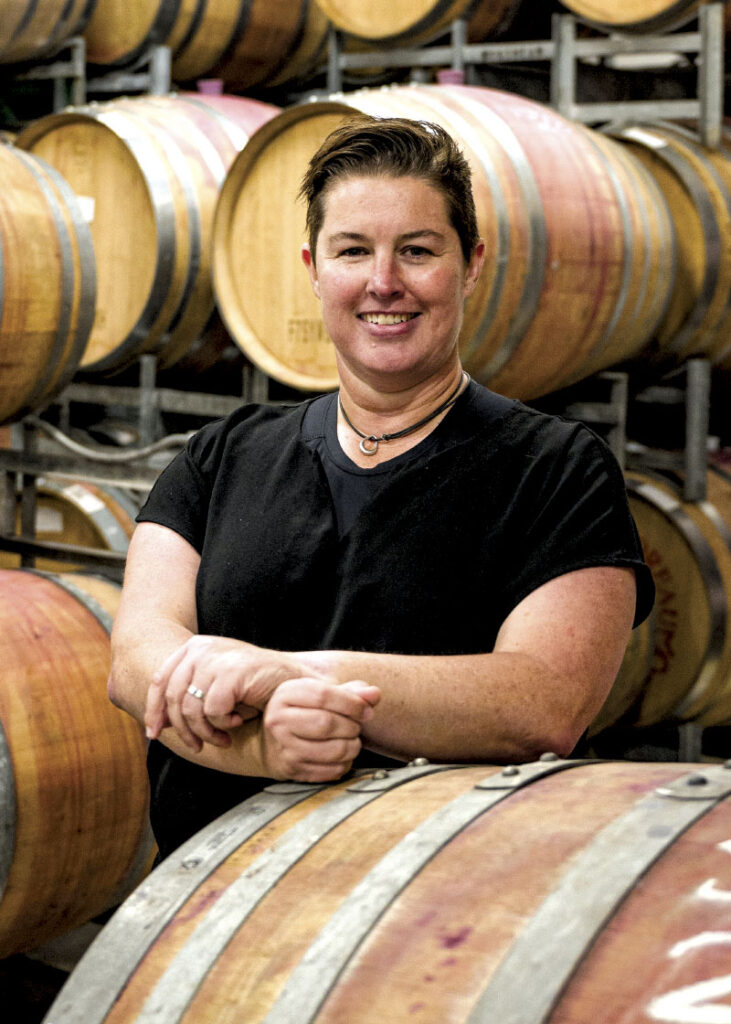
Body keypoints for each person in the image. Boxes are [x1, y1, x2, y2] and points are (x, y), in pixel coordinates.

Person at [108, 116, 654, 860]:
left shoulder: (555, 466)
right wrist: (267, 746)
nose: (383, 281)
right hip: (209, 905)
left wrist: (297, 674)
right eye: (353, 251)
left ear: (470, 265)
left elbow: (540, 703)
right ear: (313, 268)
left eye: (418, 251)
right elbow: (136, 661)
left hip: (436, 921)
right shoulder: (223, 454)